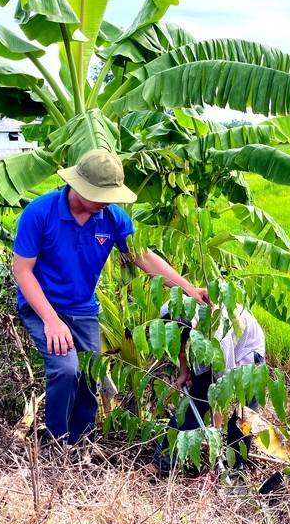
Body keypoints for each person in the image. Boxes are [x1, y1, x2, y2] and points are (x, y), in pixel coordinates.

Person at [13, 149, 207, 444]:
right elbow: (22, 271)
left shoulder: (111, 217)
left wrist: (189, 289)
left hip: (83, 308)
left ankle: (81, 442)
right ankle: (55, 442)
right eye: (101, 195)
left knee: (90, 373)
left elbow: (144, 257)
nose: (107, 201)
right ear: (80, 187)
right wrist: (51, 320)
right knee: (66, 370)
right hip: (42, 306)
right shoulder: (40, 213)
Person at [155, 305, 266, 472]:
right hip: (207, 345)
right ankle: (164, 459)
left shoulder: (220, 335)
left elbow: (223, 386)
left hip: (248, 353)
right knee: (196, 402)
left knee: (244, 413)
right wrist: (184, 370)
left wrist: (216, 432)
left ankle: (234, 468)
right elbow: (177, 340)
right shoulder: (172, 307)